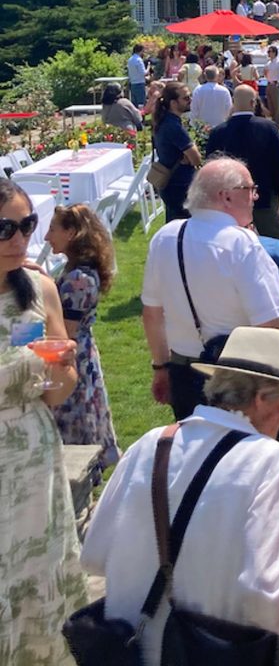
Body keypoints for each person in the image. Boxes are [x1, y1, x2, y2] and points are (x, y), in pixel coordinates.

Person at [81, 328, 279, 665]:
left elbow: (94, 555)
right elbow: (264, 594)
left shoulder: (151, 443)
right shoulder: (269, 459)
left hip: (127, 651)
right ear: (262, 398)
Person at [142, 159, 279, 420]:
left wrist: (160, 366)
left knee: (195, 455)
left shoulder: (165, 236)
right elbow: (271, 320)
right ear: (226, 196)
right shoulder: (242, 244)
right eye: (249, 188)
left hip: (182, 371)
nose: (255, 195)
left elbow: (152, 314)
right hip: (238, 377)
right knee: (244, 455)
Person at [0, 180, 89, 663]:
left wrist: (61, 370)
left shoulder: (39, 288)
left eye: (28, 224)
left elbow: (61, 388)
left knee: (38, 568)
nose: (20, 239)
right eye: (5, 228)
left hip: (33, 447)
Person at [45, 203, 120, 473]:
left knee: (75, 419)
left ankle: (83, 478)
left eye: (53, 229)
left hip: (74, 357)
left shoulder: (79, 279)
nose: (46, 237)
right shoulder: (77, 270)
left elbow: (65, 333)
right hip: (84, 353)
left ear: (72, 232)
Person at [206, 85, 279, 239]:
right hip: (264, 192)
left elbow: (211, 167)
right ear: (253, 103)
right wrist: (276, 190)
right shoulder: (268, 127)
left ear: (233, 103)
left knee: (231, 241)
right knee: (272, 240)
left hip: (229, 198)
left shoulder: (218, 132)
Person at [153, 81, 202, 221]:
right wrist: (188, 155)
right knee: (184, 230)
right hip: (179, 186)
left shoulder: (164, 120)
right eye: (186, 98)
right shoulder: (173, 126)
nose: (190, 100)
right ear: (173, 103)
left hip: (170, 184)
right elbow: (196, 158)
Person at [264, 44, 279, 127]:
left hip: (275, 84)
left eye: (269, 52)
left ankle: (278, 123)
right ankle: (273, 122)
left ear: (274, 52)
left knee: (276, 105)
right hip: (269, 84)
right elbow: (266, 74)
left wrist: (278, 83)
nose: (268, 53)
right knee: (270, 104)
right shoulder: (268, 63)